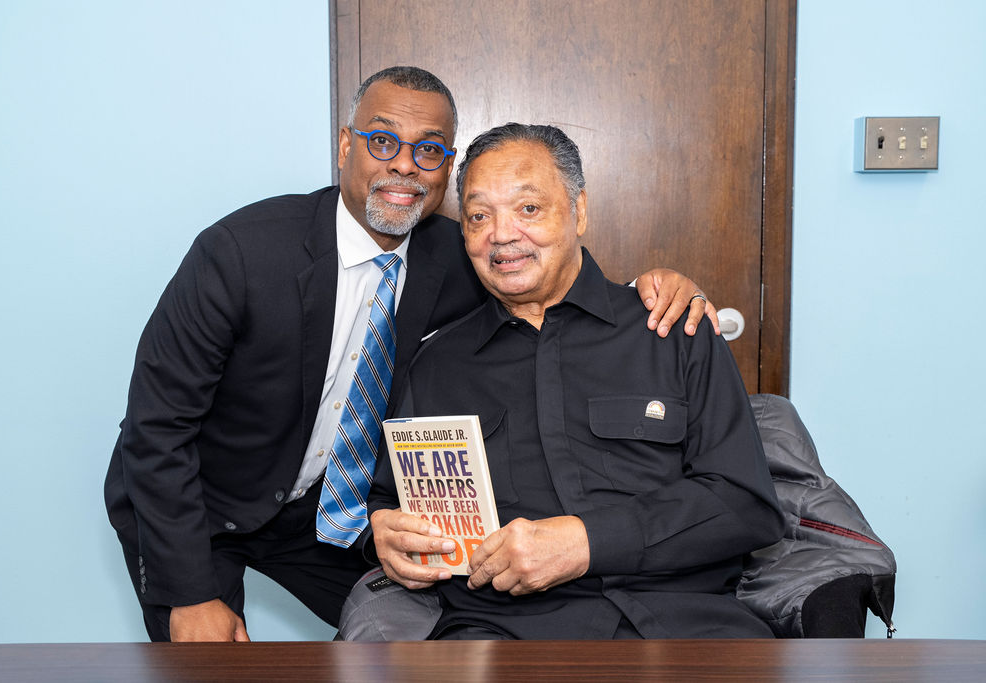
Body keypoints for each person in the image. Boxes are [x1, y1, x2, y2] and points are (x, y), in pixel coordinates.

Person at [104, 66, 715, 643]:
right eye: (381, 141)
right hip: (201, 502)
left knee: (406, 629)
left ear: (446, 168)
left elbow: (547, 275)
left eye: (428, 150)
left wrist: (653, 287)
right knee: (208, 660)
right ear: (345, 147)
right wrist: (189, 595)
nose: (404, 165)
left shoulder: (461, 253)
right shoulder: (239, 254)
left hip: (335, 512)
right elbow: (156, 430)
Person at [367, 123, 785, 639]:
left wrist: (588, 542)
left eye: (528, 209)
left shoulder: (673, 329)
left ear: (579, 211)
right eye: (478, 216)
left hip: (684, 625)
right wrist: (382, 532)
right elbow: (391, 500)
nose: (500, 234)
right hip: (505, 632)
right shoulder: (437, 364)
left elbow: (747, 508)